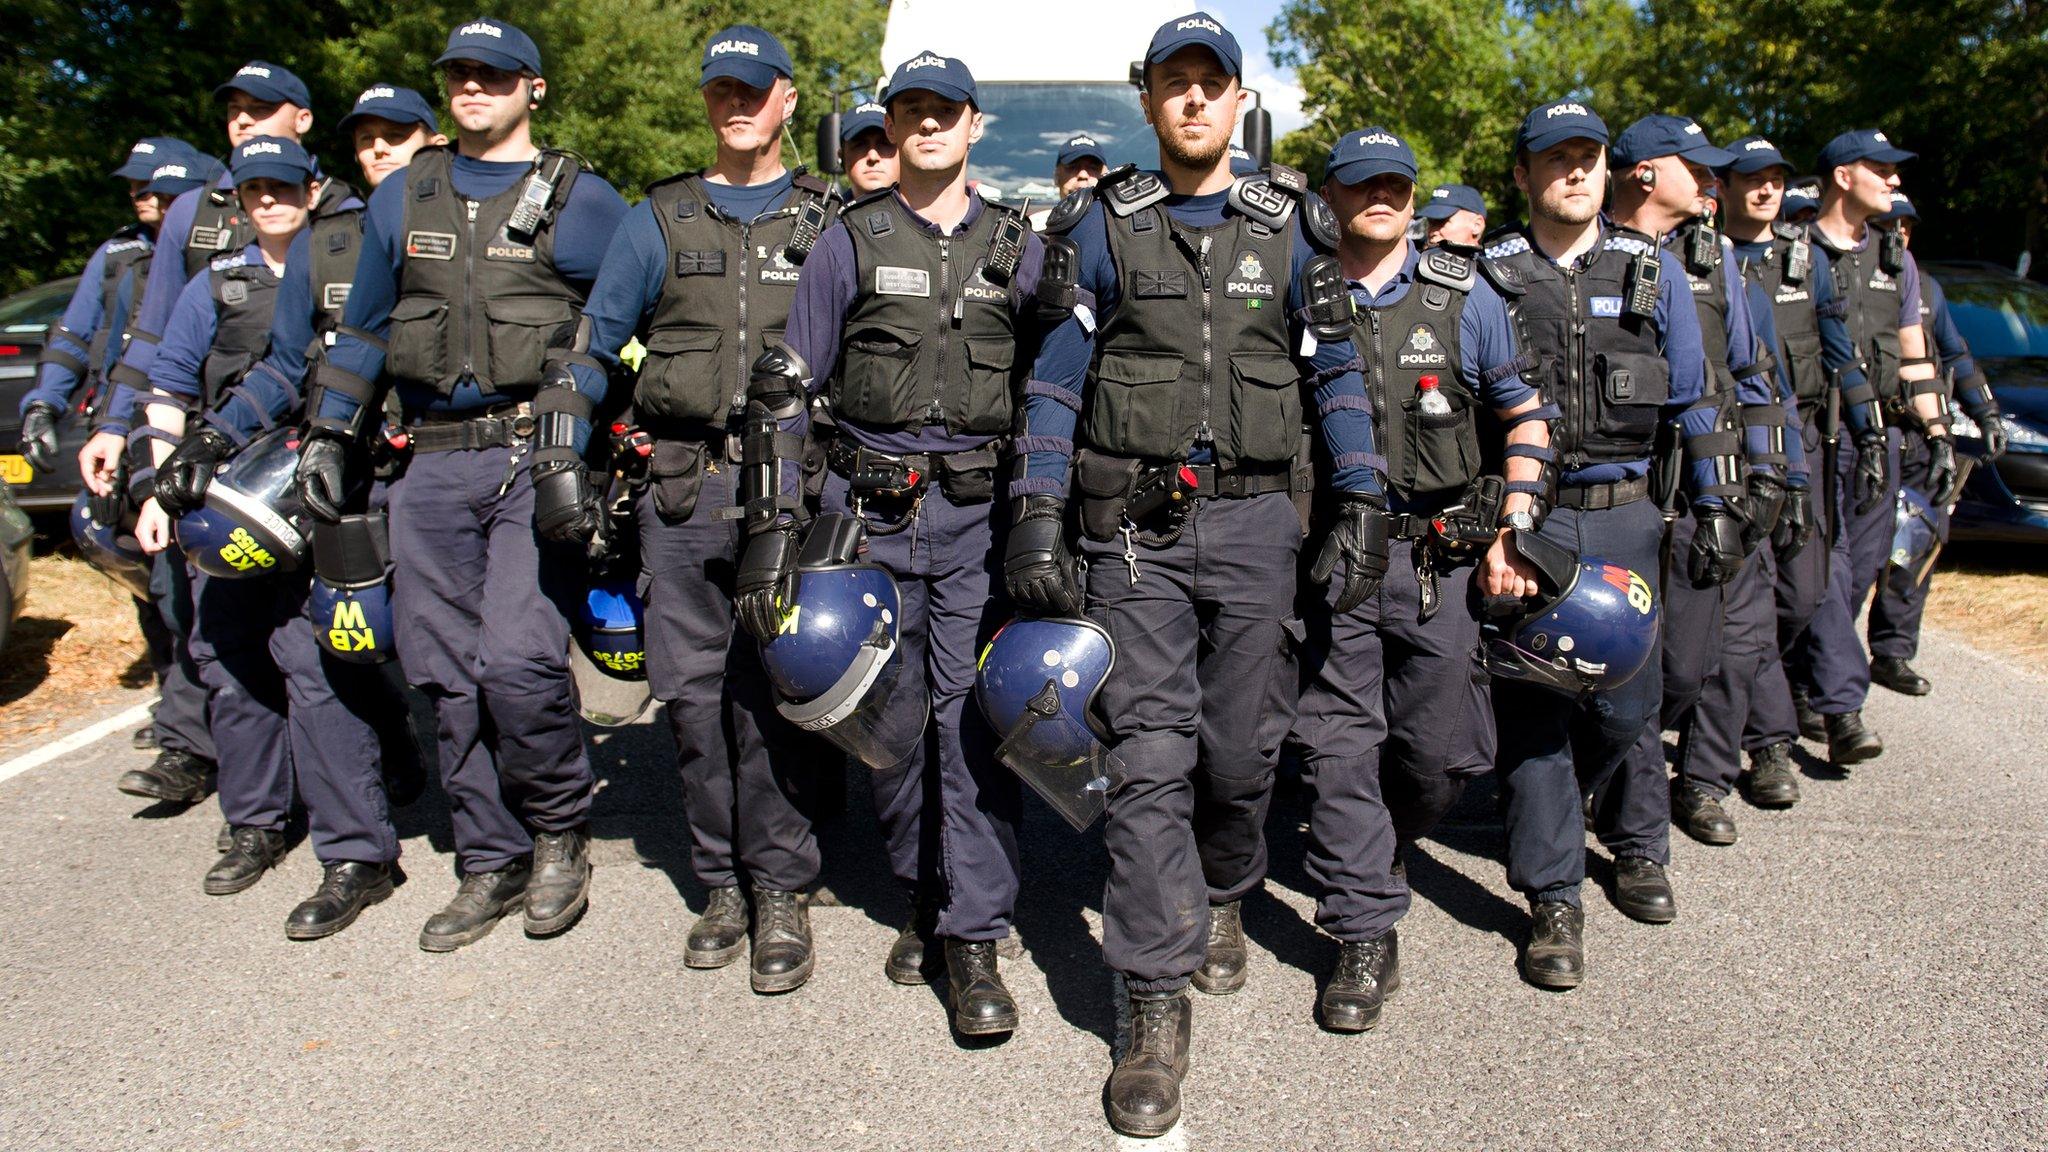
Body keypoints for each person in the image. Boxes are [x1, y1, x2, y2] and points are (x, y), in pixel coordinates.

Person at [1005, 13, 1383, 1135]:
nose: (1191, 103)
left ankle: (1224, 887)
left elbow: (1337, 380)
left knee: (1237, 750)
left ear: (1235, 100)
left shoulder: (1295, 231)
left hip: (1261, 524)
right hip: (1135, 534)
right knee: (1150, 756)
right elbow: (1055, 383)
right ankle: (1151, 1000)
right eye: (1172, 85)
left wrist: (1359, 497)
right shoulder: (1103, 225)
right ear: (1150, 100)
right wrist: (1035, 509)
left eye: (1209, 85)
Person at [295, 17, 629, 951]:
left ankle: (560, 830)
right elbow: (361, 329)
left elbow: (623, 327)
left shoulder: (584, 199)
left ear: (534, 89)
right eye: (461, 75)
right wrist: (330, 432)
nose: (473, 88)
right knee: (443, 676)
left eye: (494, 74)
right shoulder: (404, 195)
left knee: (518, 661)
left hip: (532, 454)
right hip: (431, 461)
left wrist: (605, 440)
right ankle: (491, 857)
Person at [735, 48, 1042, 1032]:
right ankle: (920, 887)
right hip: (870, 515)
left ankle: (973, 936)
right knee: (895, 721)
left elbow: (1056, 387)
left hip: (978, 522)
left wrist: (1048, 514)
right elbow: (785, 388)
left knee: (975, 722)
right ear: (891, 123)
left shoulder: (1017, 245)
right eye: (907, 110)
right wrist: (772, 529)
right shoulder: (847, 242)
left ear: (971, 123)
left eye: (942, 110)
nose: (924, 125)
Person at [537, 24, 836, 993]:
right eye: (721, 90)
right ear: (706, 101)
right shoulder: (653, 220)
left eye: (755, 89)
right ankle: (719, 883)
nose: (737, 104)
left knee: (784, 699)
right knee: (695, 702)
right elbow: (591, 348)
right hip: (681, 489)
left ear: (789, 99)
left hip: (792, 493)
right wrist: (557, 446)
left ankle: (783, 885)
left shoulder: (833, 218)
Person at [1295, 127, 1553, 1031]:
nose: (1381, 198)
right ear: (1330, 195)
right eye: (1362, 184)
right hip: (1326, 561)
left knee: (1441, 754)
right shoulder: (1299, 286)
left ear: (1414, 197)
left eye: (1396, 185)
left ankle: (1383, 844)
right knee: (1337, 745)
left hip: (1433, 563)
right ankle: (1363, 927)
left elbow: (1524, 420)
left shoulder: (1465, 297)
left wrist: (1513, 532)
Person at [1479, 99, 1720, 989]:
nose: (1574, 171)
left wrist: (1717, 502)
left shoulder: (1652, 271)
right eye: (1555, 158)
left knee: (1633, 700)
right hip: (1533, 515)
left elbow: (1693, 398)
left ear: (1609, 167)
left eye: (1588, 156)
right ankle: (1554, 896)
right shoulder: (1487, 276)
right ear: (1524, 175)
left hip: (1628, 512)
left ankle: (1637, 841)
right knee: (1537, 705)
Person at [128, 136, 354, 899]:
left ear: (313, 189)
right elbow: (165, 383)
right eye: (254, 188)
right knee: (225, 654)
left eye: (283, 186)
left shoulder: (352, 270)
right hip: (228, 495)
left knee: (318, 661)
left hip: (324, 493)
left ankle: (350, 843)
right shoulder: (217, 283)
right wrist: (161, 484)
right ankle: (254, 823)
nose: (268, 200)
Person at [94, 61, 317, 805]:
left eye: (262, 109)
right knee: (204, 625)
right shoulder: (194, 216)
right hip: (207, 457)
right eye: (234, 112)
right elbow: (158, 345)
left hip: (311, 459)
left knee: (326, 648)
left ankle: (363, 770)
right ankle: (206, 764)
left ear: (304, 122)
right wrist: (123, 441)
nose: (244, 121)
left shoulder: (342, 214)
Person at [1591, 116, 1762, 886]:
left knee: (1685, 672)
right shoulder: (1571, 248)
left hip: (1694, 496)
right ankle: (1639, 847)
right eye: (1697, 167)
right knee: (1619, 673)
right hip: (1608, 502)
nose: (1713, 182)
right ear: (1645, 174)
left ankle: (1605, 792)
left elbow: (1749, 377)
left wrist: (1746, 489)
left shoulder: (1716, 260)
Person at [1694, 134, 1863, 815]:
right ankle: (1762, 748)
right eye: (1750, 179)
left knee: (1805, 594)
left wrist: (1795, 471)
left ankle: (1786, 709)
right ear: (1722, 188)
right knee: (1744, 618)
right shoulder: (1695, 263)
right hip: (1712, 464)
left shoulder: (1799, 265)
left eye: (1775, 179)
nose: (1765, 190)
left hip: (1784, 454)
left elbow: (1781, 382)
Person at [20, 136, 203, 756]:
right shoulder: (119, 255)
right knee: (140, 570)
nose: (141, 194)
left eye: (154, 185)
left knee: (186, 581)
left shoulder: (219, 248)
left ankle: (199, 714)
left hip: (182, 427)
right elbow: (73, 335)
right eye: (135, 185)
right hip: (118, 431)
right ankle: (176, 697)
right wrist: (45, 400)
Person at [1790, 129, 1954, 764]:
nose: (1894, 181)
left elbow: (1914, 355)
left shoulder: (1896, 257)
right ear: (1840, 176)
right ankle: (1843, 709)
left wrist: (1936, 431)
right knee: (1824, 572)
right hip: (1815, 433)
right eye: (1880, 169)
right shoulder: (1798, 251)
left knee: (1857, 574)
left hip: (1880, 435)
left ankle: (1801, 681)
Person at [1865, 191, 1995, 695]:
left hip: (1924, 439)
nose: (1897, 235)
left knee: (1913, 549)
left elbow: (1956, 355)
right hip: (1873, 435)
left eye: (1905, 227)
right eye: (1887, 224)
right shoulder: (1846, 278)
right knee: (1856, 562)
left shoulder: (1926, 287)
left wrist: (1985, 412)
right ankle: (1818, 672)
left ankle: (1893, 652)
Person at [339, 83, 447, 189]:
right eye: (367, 138)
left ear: (437, 147)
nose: (378, 149)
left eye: (395, 135)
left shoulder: (460, 204)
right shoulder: (342, 204)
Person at [838, 100, 897, 196]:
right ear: (841, 157)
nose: (872, 157)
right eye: (860, 145)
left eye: (885, 144)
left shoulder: (927, 210)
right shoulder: (825, 210)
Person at [1418, 183, 1486, 248]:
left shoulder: (1492, 259)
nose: (1432, 232)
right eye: (1430, 222)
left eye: (1442, 221)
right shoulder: (1417, 258)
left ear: (1477, 225)